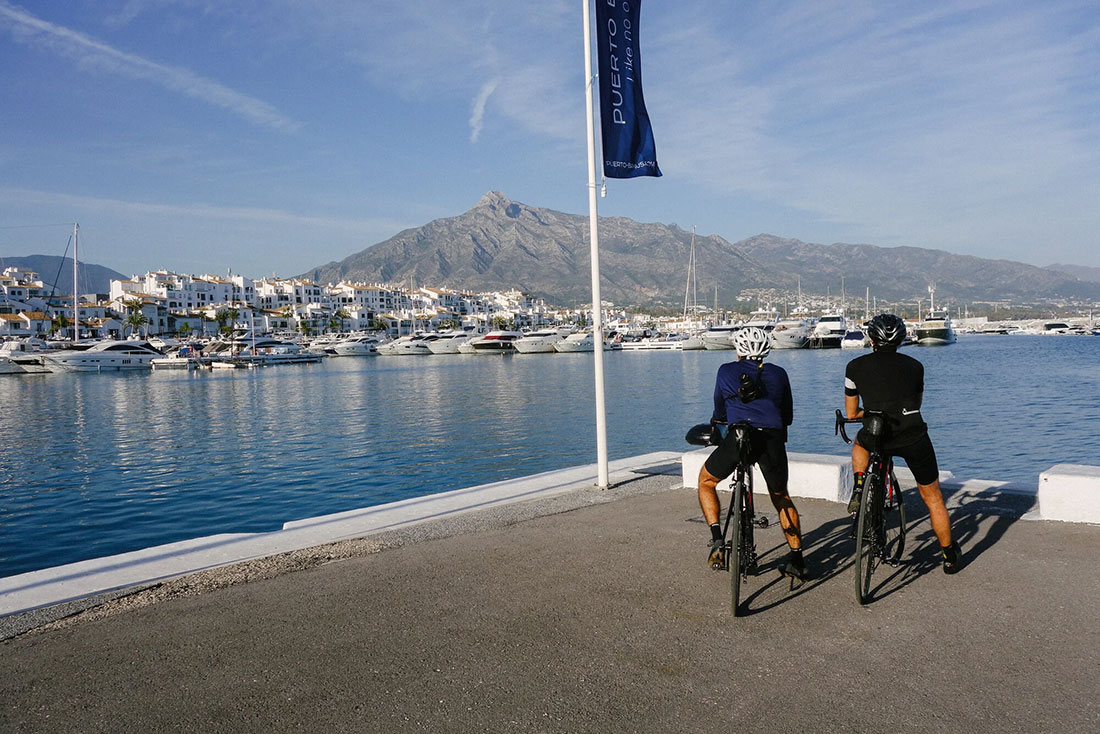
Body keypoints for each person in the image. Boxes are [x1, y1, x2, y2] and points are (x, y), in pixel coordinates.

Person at [844, 313, 962, 574]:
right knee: (933, 498)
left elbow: (851, 413)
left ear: (871, 339)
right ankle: (948, 555)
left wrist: (870, 412)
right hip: (912, 435)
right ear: (900, 340)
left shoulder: (854, 366)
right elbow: (916, 404)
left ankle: (860, 485)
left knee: (860, 444)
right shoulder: (915, 366)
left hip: (876, 433)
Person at [697, 326, 807, 581]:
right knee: (780, 496)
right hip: (771, 440)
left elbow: (720, 411)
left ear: (738, 350)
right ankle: (797, 559)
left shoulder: (725, 371)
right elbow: (787, 415)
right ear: (766, 350)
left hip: (739, 438)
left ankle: (717, 539)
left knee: (706, 481)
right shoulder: (779, 373)